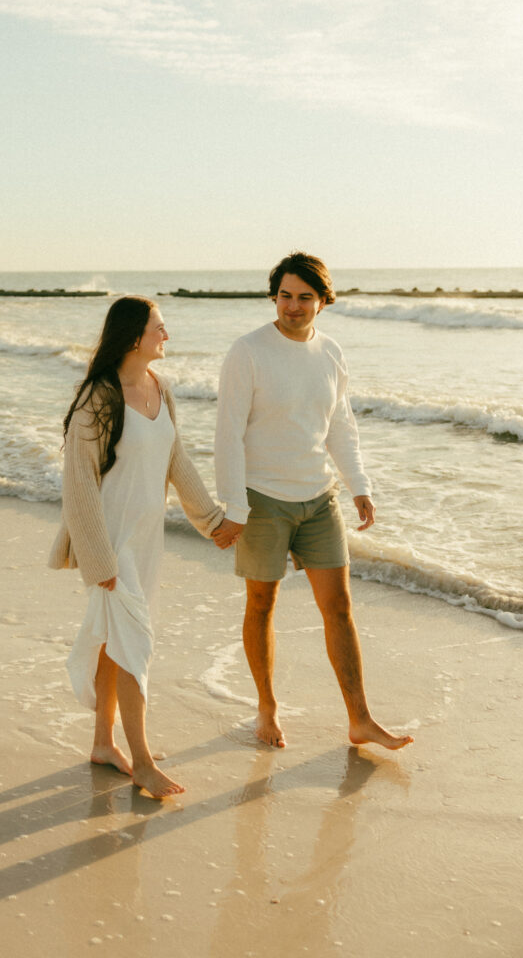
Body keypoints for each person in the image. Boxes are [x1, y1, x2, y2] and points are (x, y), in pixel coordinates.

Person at [212, 252, 413, 751]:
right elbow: (227, 434)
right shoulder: (248, 351)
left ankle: (361, 719)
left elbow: (340, 424)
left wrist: (358, 484)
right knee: (262, 603)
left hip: (319, 499)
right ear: (273, 296)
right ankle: (266, 707)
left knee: (339, 607)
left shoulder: (331, 353)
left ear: (323, 301)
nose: (293, 307)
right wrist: (234, 507)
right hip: (262, 500)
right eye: (285, 296)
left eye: (305, 297)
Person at [49, 295, 237, 797]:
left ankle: (102, 743)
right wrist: (99, 560)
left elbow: (177, 460)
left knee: (118, 643)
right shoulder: (97, 399)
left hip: (147, 540)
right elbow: (79, 487)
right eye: (159, 327)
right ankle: (144, 763)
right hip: (111, 543)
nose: (166, 335)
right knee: (134, 645)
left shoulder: (161, 387)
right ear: (135, 336)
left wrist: (212, 521)